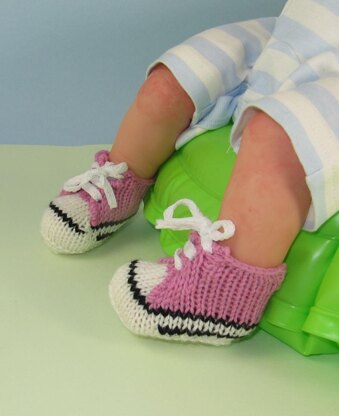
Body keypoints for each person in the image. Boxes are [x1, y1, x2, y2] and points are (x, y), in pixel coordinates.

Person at [41, 0, 339, 345]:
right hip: (304, 36)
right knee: (171, 81)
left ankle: (223, 296)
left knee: (277, 133)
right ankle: (122, 180)